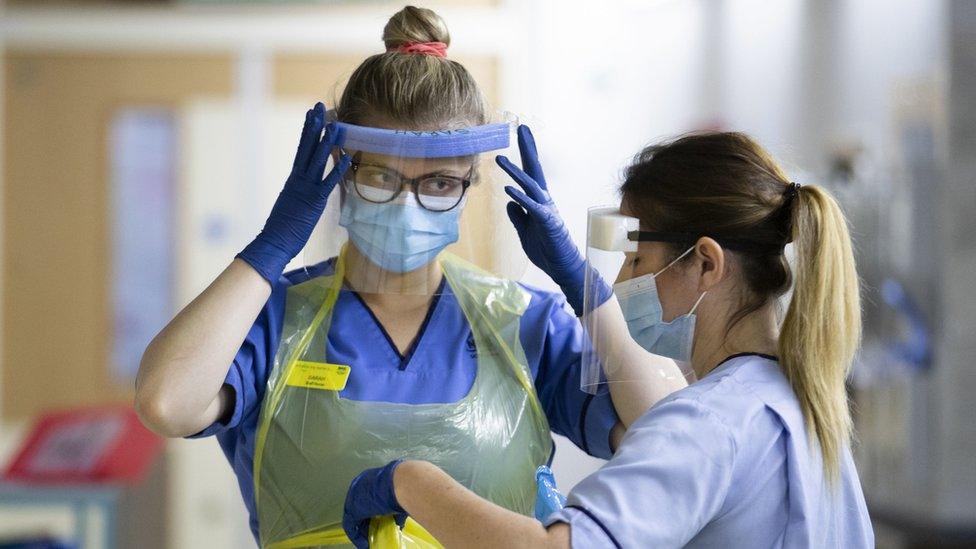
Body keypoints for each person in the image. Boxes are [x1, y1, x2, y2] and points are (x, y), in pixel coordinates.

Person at [134, 7, 678, 548]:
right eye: (380, 176)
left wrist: (582, 284)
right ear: (341, 171)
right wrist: (270, 249)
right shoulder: (274, 318)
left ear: (470, 182)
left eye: (439, 183)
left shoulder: (525, 324)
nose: (408, 205)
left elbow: (668, 436)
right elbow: (166, 402)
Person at [343, 130, 875, 548]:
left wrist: (409, 483)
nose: (621, 285)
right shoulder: (801, 406)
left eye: (636, 260)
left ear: (707, 264)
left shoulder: (708, 422)